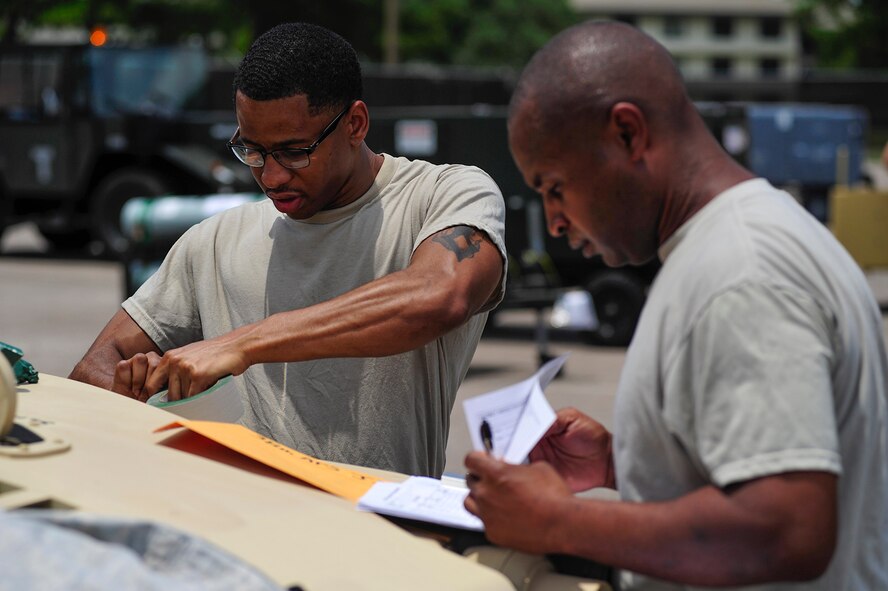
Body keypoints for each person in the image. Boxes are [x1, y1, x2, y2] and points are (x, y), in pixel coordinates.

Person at [464, 20, 888, 590]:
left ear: (627, 134)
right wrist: (626, 464)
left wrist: (559, 521)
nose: (556, 222)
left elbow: (787, 529)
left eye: (555, 186)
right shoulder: (746, 239)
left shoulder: (740, 273)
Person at [70, 22, 507, 477]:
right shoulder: (215, 242)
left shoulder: (443, 195)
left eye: (295, 151)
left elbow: (439, 296)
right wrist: (135, 389)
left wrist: (243, 343)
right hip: (237, 534)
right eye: (252, 150)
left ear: (355, 124)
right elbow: (91, 370)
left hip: (379, 533)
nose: (272, 176)